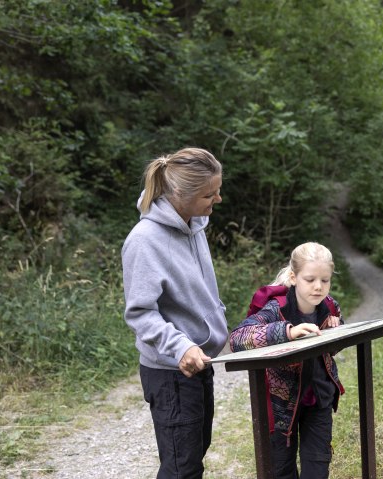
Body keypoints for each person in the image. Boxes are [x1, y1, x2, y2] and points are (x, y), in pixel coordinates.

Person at [121, 147, 227, 479]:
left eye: (218, 190)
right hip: (170, 374)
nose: (218, 199)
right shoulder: (144, 241)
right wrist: (181, 347)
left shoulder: (195, 225)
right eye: (209, 194)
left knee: (193, 456)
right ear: (179, 194)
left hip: (198, 367)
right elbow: (140, 313)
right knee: (182, 469)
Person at [229, 242, 345, 479]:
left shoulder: (330, 307)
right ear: (293, 277)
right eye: (310, 279)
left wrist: (336, 326)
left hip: (319, 399)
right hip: (281, 406)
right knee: (281, 470)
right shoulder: (275, 309)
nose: (318, 286)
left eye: (325, 280)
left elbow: (332, 346)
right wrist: (288, 332)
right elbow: (237, 339)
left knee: (318, 466)